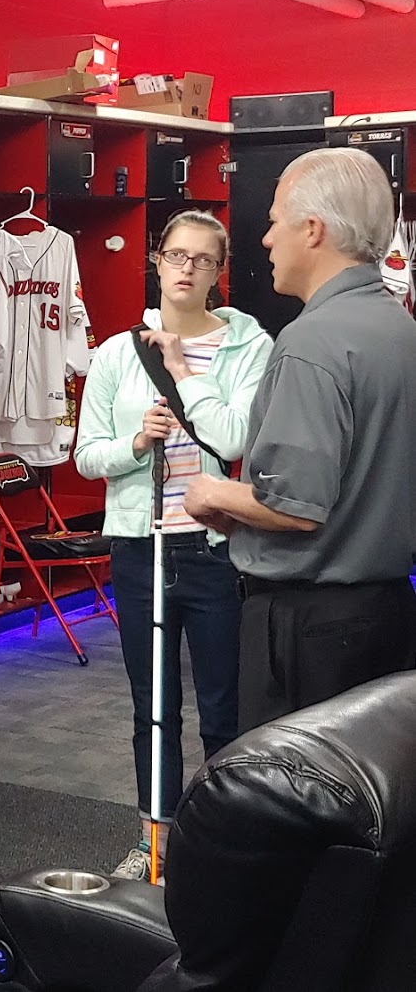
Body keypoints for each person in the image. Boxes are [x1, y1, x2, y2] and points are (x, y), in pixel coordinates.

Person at [184, 147, 416, 728]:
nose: (265, 239)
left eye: (274, 220)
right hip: (386, 612)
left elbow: (294, 507)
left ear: (312, 230)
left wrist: (213, 495)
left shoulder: (311, 342)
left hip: (310, 631)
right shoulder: (399, 327)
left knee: (293, 803)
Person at [74, 210, 272, 883]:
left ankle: (221, 838)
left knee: (223, 707)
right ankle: (153, 840)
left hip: (218, 549)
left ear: (218, 272)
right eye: (174, 256)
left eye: (201, 259)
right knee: (151, 707)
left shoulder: (251, 347)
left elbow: (238, 437)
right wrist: (135, 446)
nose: (185, 269)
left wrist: (187, 372)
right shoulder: (112, 354)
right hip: (141, 547)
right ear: (155, 262)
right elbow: (84, 458)